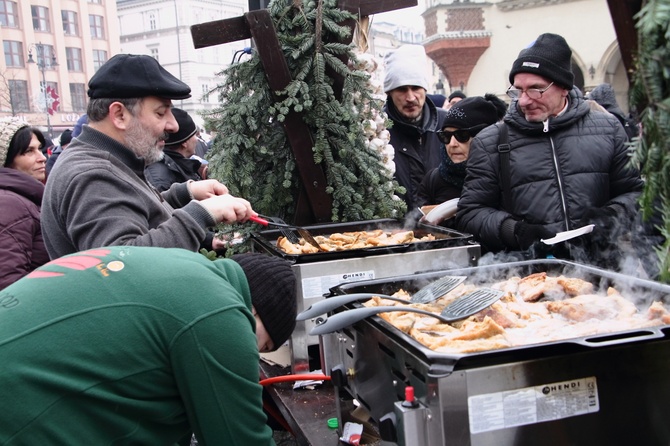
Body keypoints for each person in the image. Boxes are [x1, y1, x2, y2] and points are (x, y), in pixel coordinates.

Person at [0, 246, 297, 444]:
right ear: (254, 312)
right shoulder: (220, 311)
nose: (252, 353)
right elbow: (238, 439)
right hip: (19, 405)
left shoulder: (183, 264)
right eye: (262, 344)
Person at [455, 33, 644, 268]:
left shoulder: (608, 129)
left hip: (601, 272)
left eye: (536, 89)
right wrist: (514, 230)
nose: (523, 101)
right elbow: (470, 213)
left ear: (564, 87)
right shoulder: (490, 141)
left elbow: (636, 194)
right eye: (518, 90)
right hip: (526, 278)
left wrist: (612, 216)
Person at [42, 54, 255, 259]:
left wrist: (183, 194)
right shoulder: (94, 175)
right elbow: (124, 263)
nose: (173, 125)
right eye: (160, 113)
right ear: (119, 115)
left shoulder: (106, 160)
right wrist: (199, 214)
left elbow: (136, 211)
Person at [416, 95, 501, 224]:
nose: (452, 143)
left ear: (485, 137)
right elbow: (413, 225)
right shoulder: (433, 180)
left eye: (462, 135)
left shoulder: (504, 177)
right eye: (446, 136)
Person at [383, 44, 447, 211]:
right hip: (394, 232)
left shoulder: (447, 124)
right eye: (402, 90)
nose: (410, 97)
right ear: (389, 92)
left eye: (416, 88)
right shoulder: (378, 132)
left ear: (425, 89)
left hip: (447, 229)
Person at [0, 118, 50, 290]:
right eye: (29, 151)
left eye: (40, 149)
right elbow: (8, 285)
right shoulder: (9, 204)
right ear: (5, 159)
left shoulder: (22, 197)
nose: (42, 158)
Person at [145, 108, 203, 192]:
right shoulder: (161, 180)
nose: (197, 139)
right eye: (194, 135)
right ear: (185, 142)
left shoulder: (179, 166)